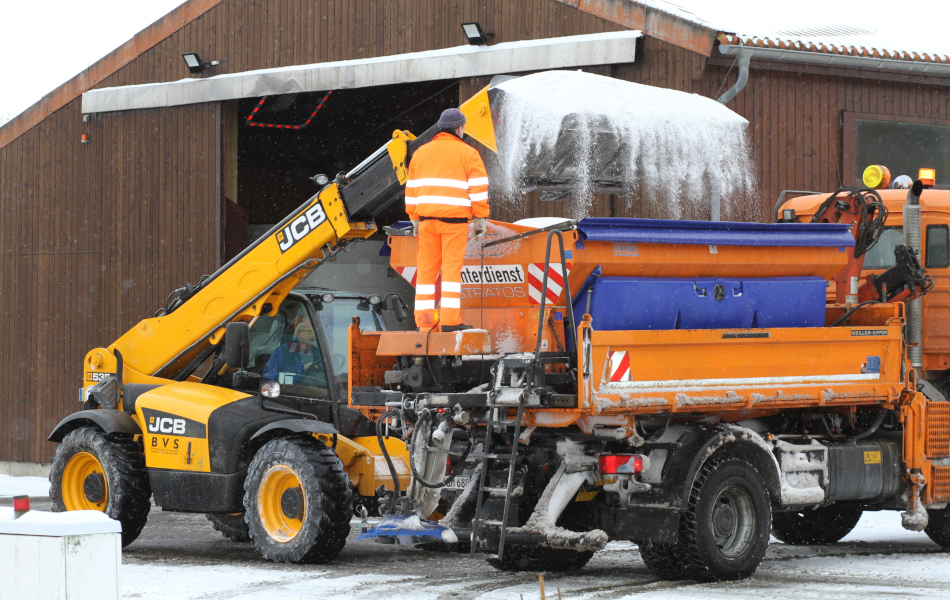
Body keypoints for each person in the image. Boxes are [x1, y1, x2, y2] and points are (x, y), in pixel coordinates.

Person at [404, 108, 490, 332]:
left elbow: (411, 189)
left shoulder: (420, 153)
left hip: (426, 222)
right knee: (451, 272)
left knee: (425, 273)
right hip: (454, 225)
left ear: (440, 128)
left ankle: (425, 324)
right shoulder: (469, 153)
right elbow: (479, 190)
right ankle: (450, 322)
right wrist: (481, 218)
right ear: (459, 129)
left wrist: (414, 218)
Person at [262, 321, 326, 387]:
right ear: (298, 333)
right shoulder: (283, 351)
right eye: (309, 332)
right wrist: (280, 378)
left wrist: (317, 367)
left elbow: (328, 370)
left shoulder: (317, 351)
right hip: (289, 392)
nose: (312, 335)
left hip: (313, 391)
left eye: (314, 332)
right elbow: (268, 374)